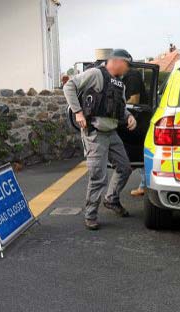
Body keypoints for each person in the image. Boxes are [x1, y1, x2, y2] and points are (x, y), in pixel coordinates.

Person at [64, 49, 137, 230]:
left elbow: (120, 107)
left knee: (125, 168)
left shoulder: (120, 84)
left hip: (112, 133)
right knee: (98, 177)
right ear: (118, 61)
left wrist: (129, 116)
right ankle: (90, 215)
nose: (128, 69)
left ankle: (111, 199)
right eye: (127, 65)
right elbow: (69, 86)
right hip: (95, 133)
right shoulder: (96, 74)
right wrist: (78, 112)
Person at [123, 68, 148, 197]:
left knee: (139, 154)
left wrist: (118, 106)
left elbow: (134, 100)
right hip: (140, 120)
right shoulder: (131, 76)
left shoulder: (131, 76)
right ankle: (144, 184)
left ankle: (145, 185)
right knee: (140, 153)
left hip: (139, 121)